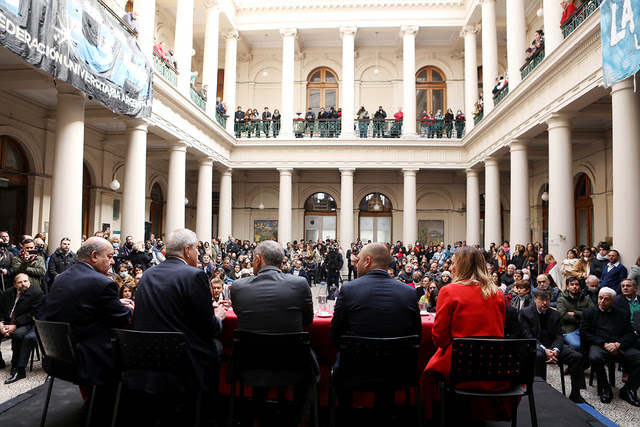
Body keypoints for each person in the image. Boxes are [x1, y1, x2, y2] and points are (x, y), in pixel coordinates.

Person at [231, 240, 315, 424]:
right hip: (292, 363)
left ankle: (257, 417)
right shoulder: (300, 284)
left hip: (251, 363)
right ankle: (302, 419)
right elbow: (308, 321)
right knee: (307, 358)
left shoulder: (238, 287)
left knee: (260, 347)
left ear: (258, 259)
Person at [134, 229, 226, 394]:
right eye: (197, 248)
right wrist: (218, 317)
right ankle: (204, 406)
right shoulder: (195, 276)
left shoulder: (147, 274)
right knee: (217, 346)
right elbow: (210, 328)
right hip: (182, 357)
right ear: (187, 250)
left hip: (147, 354)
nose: (199, 253)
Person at [330, 242, 420, 407]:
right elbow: (416, 335)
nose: (356, 265)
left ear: (368, 261)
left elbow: (335, 336)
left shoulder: (349, 289)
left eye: (359, 260)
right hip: (397, 371)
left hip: (355, 370)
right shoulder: (408, 292)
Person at [425, 246, 506, 415]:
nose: (450, 267)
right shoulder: (497, 293)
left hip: (459, 365)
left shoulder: (448, 291)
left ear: (461, 266)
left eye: (453, 263)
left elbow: (439, 338)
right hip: (493, 366)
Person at [45, 237, 134, 385]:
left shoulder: (61, 278)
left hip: (60, 356)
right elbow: (122, 317)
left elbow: (81, 305)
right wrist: (130, 308)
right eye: (110, 257)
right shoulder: (103, 283)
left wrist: (114, 302)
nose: (113, 262)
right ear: (94, 256)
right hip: (92, 358)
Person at [519, 288, 586, 403]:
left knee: (576, 357)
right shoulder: (525, 313)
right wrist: (545, 350)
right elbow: (527, 336)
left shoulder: (555, 314)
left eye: (547, 300)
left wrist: (555, 350)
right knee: (538, 356)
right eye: (542, 300)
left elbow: (559, 336)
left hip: (552, 345)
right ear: (535, 299)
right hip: (535, 345)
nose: (545, 303)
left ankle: (576, 393)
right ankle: (541, 391)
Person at [581, 287, 640, 406]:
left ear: (613, 301)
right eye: (600, 298)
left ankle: (628, 389)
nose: (602, 301)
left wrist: (618, 344)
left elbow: (630, 333)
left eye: (606, 299)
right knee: (595, 358)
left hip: (619, 345)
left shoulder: (622, 313)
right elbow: (585, 333)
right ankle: (605, 387)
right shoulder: (589, 312)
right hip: (599, 344)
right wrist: (604, 344)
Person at [0, 273, 44, 383]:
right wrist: (1, 324)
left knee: (18, 334)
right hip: (6, 322)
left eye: (26, 281)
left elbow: (34, 313)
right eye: (20, 282)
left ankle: (16, 366)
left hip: (27, 323)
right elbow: (0, 310)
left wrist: (15, 325)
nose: (23, 284)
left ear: (29, 282)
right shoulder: (7, 293)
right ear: (14, 284)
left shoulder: (37, 293)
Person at [557, 276, 594, 352]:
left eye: (577, 284)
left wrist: (575, 313)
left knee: (593, 344)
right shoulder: (562, 300)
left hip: (586, 329)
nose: (574, 287)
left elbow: (592, 313)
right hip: (569, 329)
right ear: (567, 287)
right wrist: (582, 318)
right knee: (577, 345)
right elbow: (563, 316)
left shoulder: (586, 299)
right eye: (572, 284)